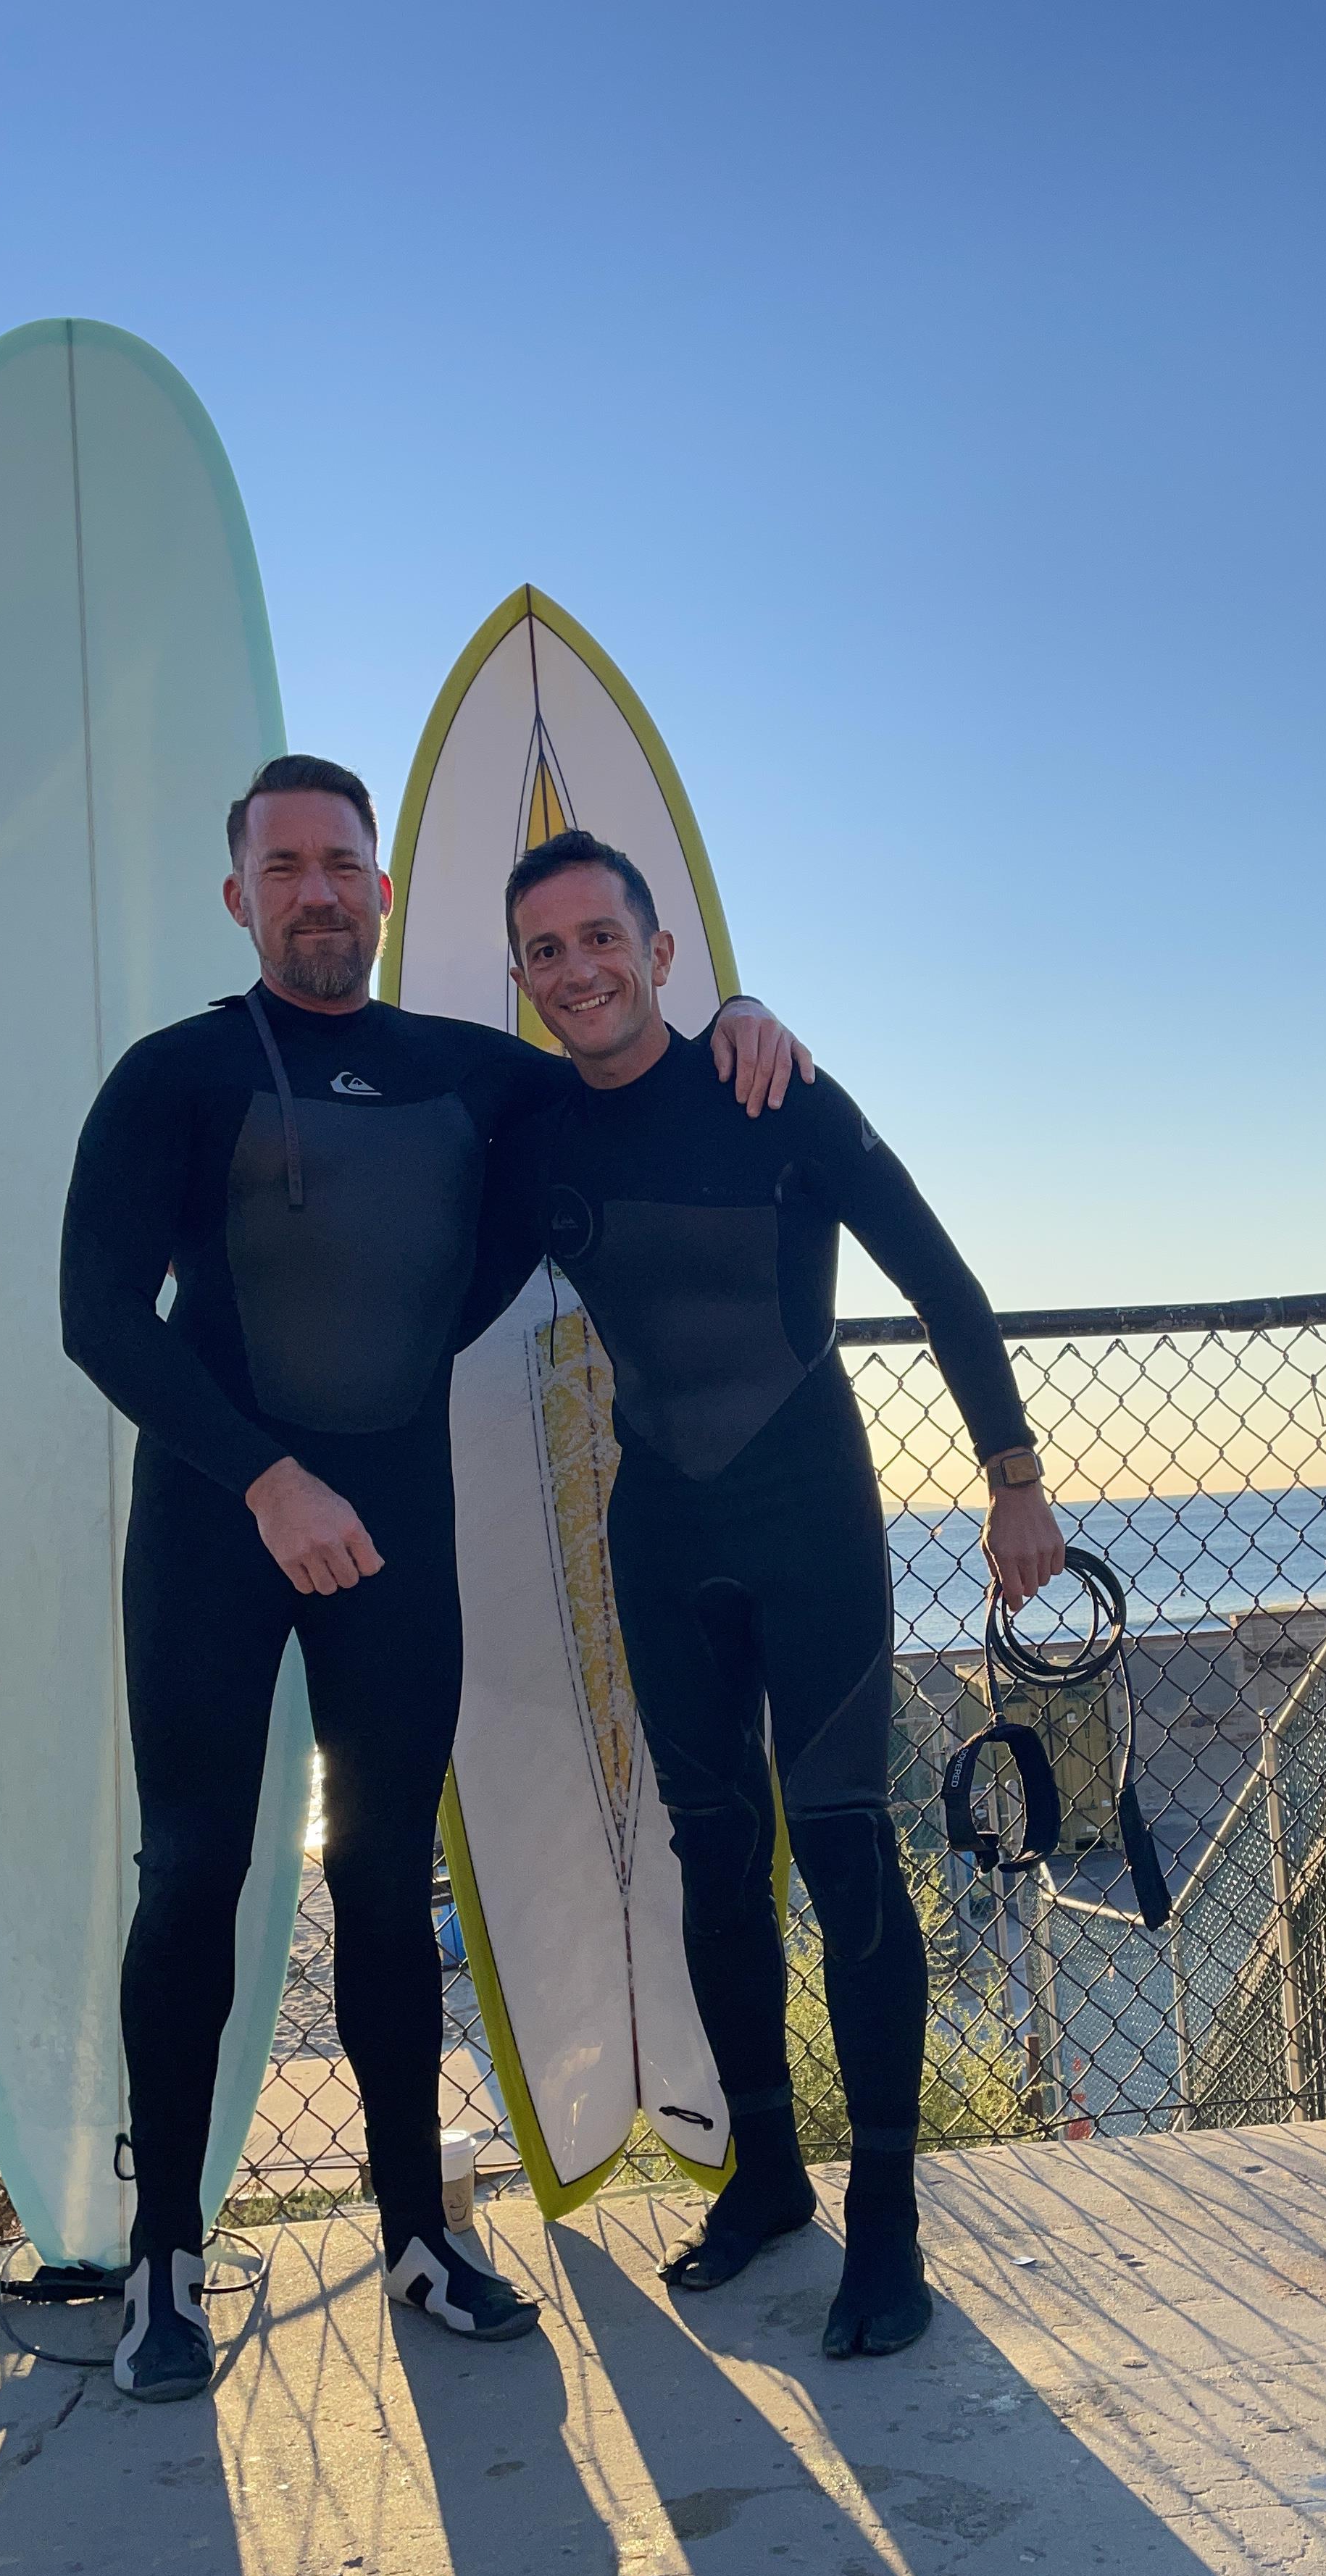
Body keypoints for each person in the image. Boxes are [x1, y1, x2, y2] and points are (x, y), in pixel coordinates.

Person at [59, 757, 811, 2402]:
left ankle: (418, 2231)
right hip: (217, 1519)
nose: (319, 890)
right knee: (191, 1871)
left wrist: (744, 1005)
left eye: (346, 864)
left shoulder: (476, 1073)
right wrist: (265, 1475)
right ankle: (162, 2256)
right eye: (287, 865)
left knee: (389, 1875)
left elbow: (636, 1067)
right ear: (241, 892)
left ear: (384, 894)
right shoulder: (173, 1076)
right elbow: (99, 1317)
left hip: (392, 1518)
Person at [480, 828, 1064, 2358]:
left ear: (661, 954)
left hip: (810, 1519)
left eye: (604, 939)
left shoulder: (775, 1086)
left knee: (847, 1846)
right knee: (712, 1855)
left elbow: (939, 1276)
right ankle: (766, 2181)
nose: (580, 971)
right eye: (546, 952)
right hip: (659, 1532)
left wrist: (1014, 1480)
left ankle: (890, 2222)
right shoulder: (539, 1133)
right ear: (527, 981)